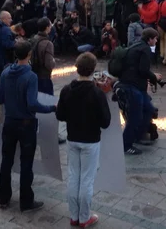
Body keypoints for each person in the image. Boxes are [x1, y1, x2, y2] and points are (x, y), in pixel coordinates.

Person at [0, 40, 57, 212]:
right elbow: (32, 104)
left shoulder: (6, 73)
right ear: (29, 55)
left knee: (6, 160)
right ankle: (26, 200)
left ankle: (3, 197)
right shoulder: (31, 76)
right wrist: (50, 108)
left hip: (9, 122)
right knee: (26, 163)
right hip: (26, 124)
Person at [56, 52, 111, 228]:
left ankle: (74, 215)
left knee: (74, 177)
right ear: (93, 70)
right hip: (90, 140)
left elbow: (60, 115)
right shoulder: (96, 94)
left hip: (73, 138)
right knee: (87, 179)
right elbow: (106, 122)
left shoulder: (66, 90)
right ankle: (84, 217)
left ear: (77, 68)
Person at [118, 28, 162, 155]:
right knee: (135, 117)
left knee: (149, 109)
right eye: (155, 38)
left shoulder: (135, 46)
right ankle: (126, 145)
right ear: (150, 39)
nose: (156, 41)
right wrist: (154, 77)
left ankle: (137, 135)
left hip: (131, 84)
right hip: (133, 87)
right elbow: (143, 70)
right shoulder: (145, 49)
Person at [30, 17, 56, 95]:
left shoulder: (34, 38)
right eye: (50, 25)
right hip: (44, 76)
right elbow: (49, 64)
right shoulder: (48, 43)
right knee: (47, 101)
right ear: (47, 27)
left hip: (34, 73)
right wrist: (53, 62)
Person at [0, 11, 16, 84]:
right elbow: (7, 44)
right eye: (9, 18)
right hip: (3, 61)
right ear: (3, 19)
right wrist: (16, 43)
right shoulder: (6, 29)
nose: (11, 20)